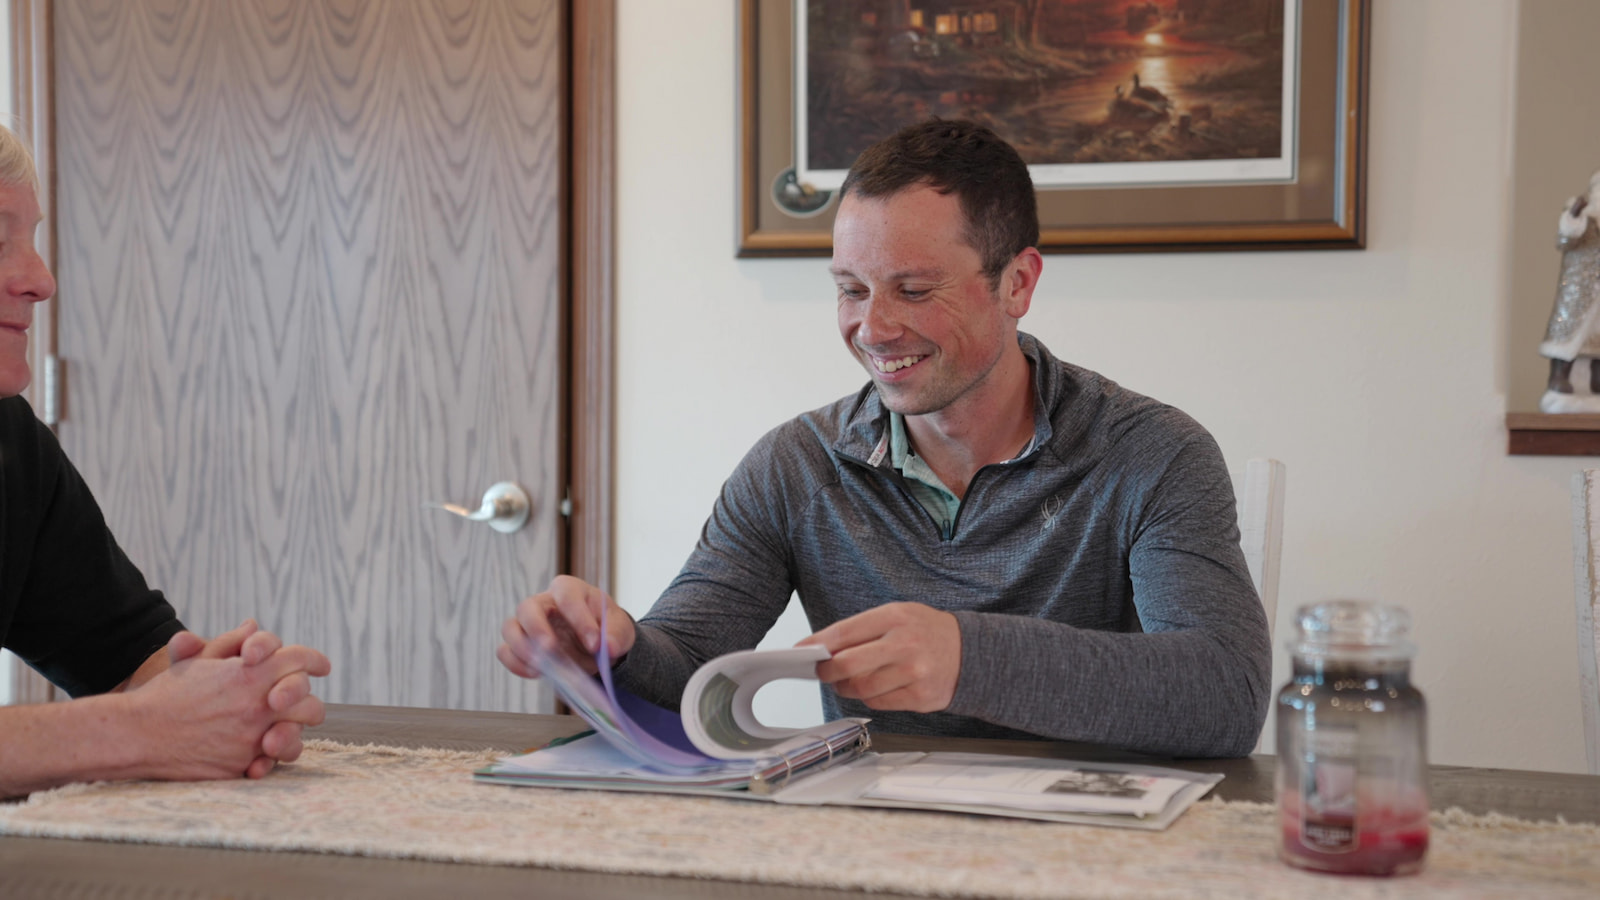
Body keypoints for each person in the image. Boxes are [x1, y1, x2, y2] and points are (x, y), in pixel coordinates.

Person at [500, 119, 1270, 758]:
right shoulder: (796, 466)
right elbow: (690, 672)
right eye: (851, 289)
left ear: (1018, 283)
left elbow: (1225, 694)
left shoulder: (1154, 454)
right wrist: (614, 646)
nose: (873, 328)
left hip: (1088, 846)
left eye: (913, 290)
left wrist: (969, 660)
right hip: (866, 839)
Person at [0, 125, 331, 797]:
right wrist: (136, 731)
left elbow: (127, 660)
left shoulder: (12, 446)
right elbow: (141, 717)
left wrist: (233, 697)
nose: (41, 280)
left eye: (31, 240)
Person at [1539, 169, 1600, 413]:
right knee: (1568, 336)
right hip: (1579, 292)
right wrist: (1574, 213)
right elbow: (1565, 239)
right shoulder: (1583, 219)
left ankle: (1596, 383)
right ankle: (1559, 378)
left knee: (1596, 340)